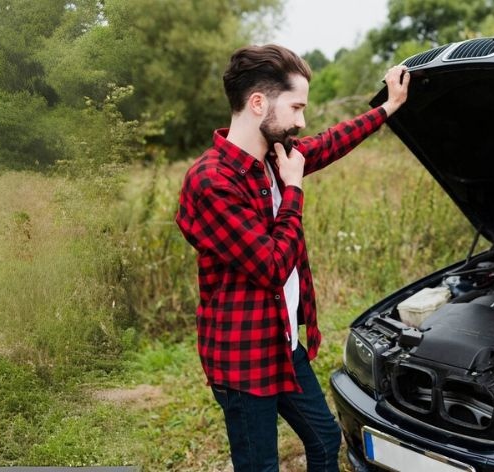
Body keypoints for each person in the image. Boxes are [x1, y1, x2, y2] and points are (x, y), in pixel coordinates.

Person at [175, 44, 409, 471]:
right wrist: (294, 190)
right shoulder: (211, 181)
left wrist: (389, 107)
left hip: (283, 343)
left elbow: (331, 142)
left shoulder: (275, 156)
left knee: (323, 440)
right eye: (297, 107)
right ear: (258, 102)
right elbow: (272, 266)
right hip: (243, 360)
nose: (302, 121)